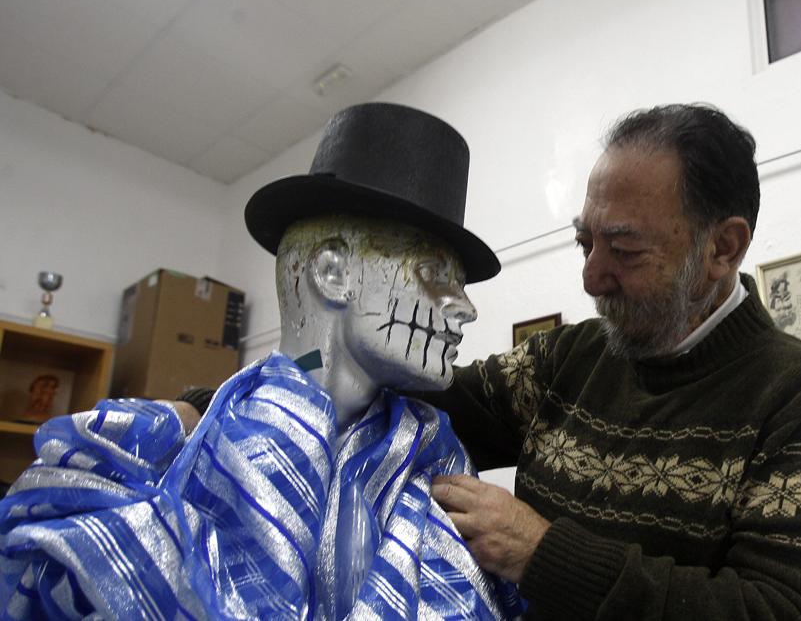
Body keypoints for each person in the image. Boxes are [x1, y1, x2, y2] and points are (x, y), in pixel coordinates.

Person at [0, 104, 522, 619]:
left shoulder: (427, 458)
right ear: (332, 274)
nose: (465, 307)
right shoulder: (156, 451)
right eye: (433, 273)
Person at [425, 103, 801, 619]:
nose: (591, 279)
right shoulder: (571, 357)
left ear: (723, 249)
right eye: (585, 243)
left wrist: (542, 554)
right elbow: (438, 401)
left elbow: (788, 611)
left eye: (624, 250)